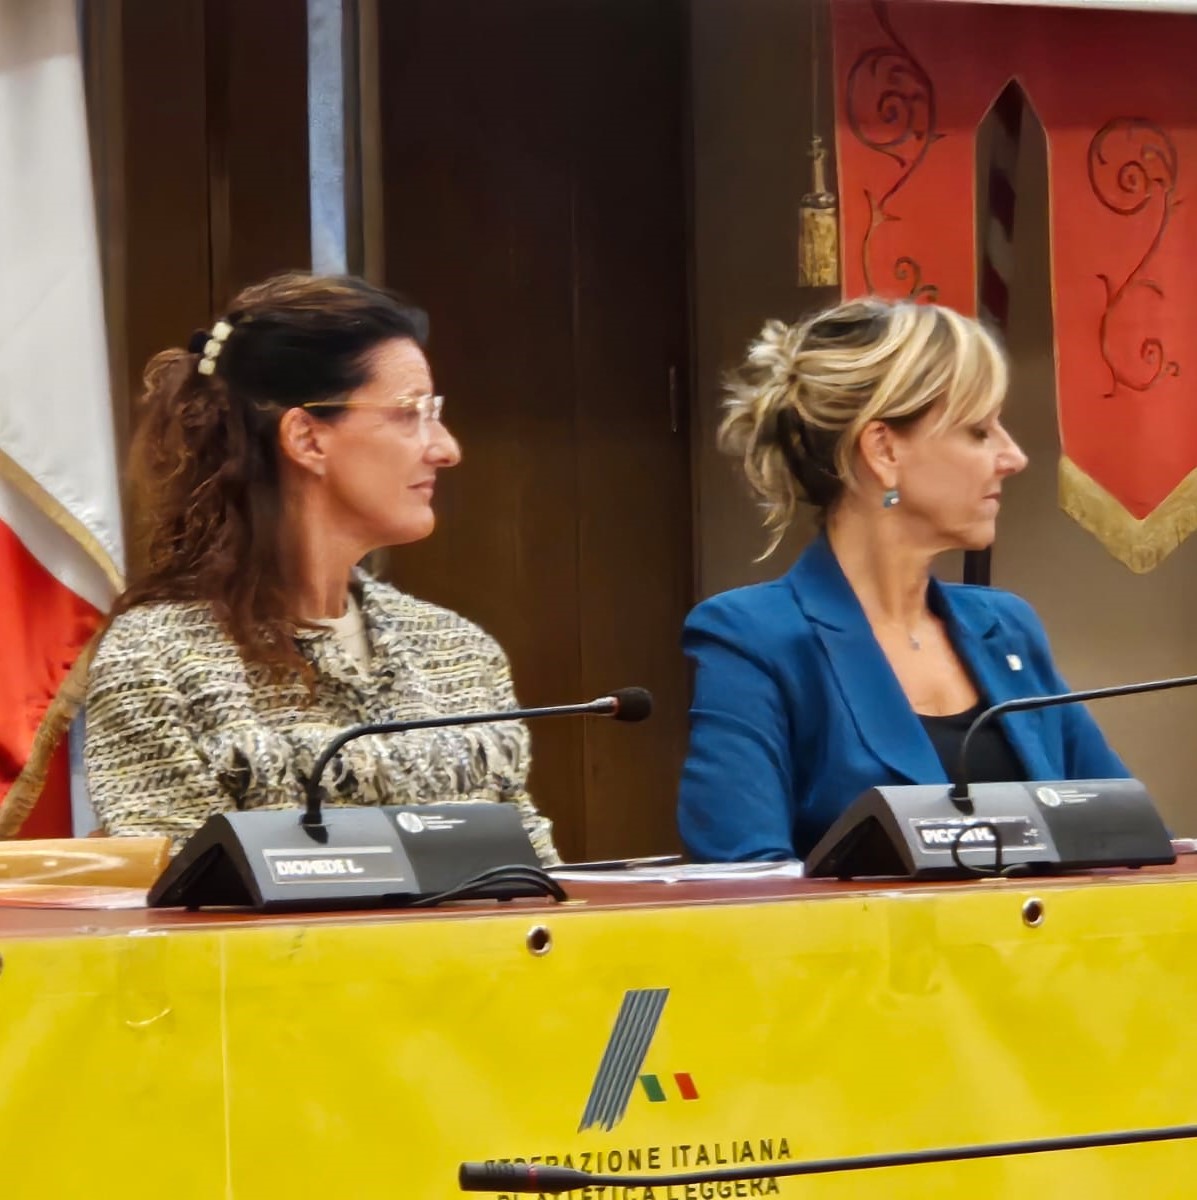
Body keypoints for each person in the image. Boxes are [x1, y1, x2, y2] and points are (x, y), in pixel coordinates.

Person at [84, 272, 558, 863]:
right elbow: (189, 900)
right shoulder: (157, 659)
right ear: (307, 438)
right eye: (409, 413)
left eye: (434, 413)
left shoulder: (460, 652)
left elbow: (534, 882)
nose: (446, 448)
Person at [678, 297, 1129, 862]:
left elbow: (1127, 841)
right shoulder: (752, 638)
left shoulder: (1007, 627)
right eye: (979, 431)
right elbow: (741, 880)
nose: (1014, 457)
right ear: (884, 449)